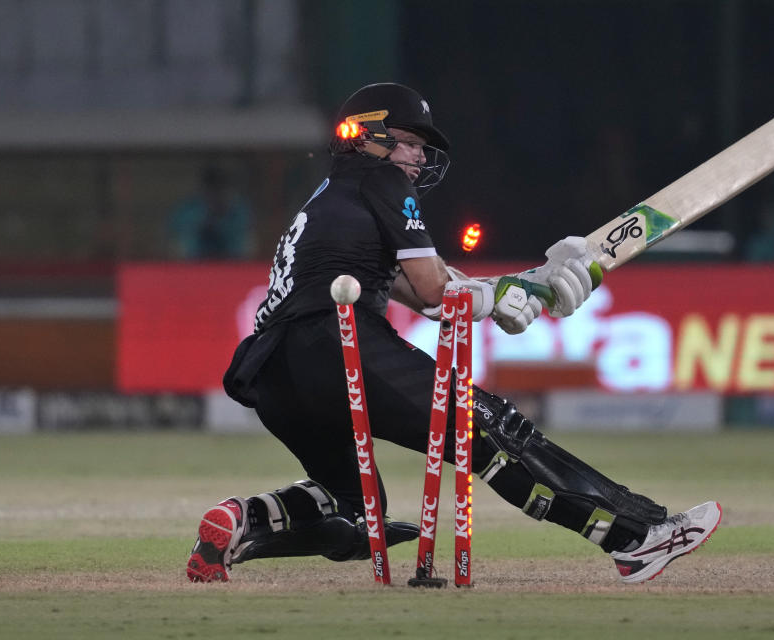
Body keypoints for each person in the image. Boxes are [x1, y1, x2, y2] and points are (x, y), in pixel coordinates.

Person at [186, 83, 720, 585]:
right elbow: (435, 288)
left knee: (348, 505)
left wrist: (527, 285)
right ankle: (636, 537)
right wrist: (503, 295)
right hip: (332, 343)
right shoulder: (381, 181)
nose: (419, 158)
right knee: (490, 429)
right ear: (369, 135)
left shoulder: (331, 196)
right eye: (411, 144)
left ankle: (239, 524)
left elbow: (422, 294)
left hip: (273, 373)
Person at [169, 166, 254, 259]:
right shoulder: (189, 209)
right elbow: (174, 237)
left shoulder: (238, 210)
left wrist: (221, 222)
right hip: (193, 264)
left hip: (232, 263)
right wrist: (205, 220)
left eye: (220, 188)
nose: (216, 194)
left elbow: (246, 237)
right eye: (212, 188)